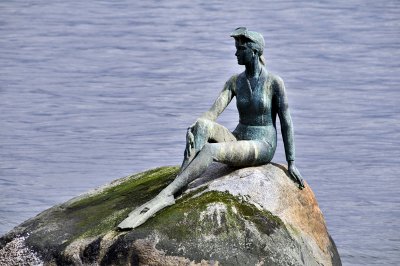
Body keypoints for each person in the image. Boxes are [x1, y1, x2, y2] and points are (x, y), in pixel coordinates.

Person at [118, 27, 305, 230]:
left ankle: (168, 194)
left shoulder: (274, 83)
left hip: (262, 144)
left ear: (255, 51)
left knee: (210, 150)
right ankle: (179, 184)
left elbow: (286, 122)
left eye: (240, 49)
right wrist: (196, 125)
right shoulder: (235, 81)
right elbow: (212, 113)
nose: (236, 53)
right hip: (239, 136)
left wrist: (291, 162)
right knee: (202, 127)